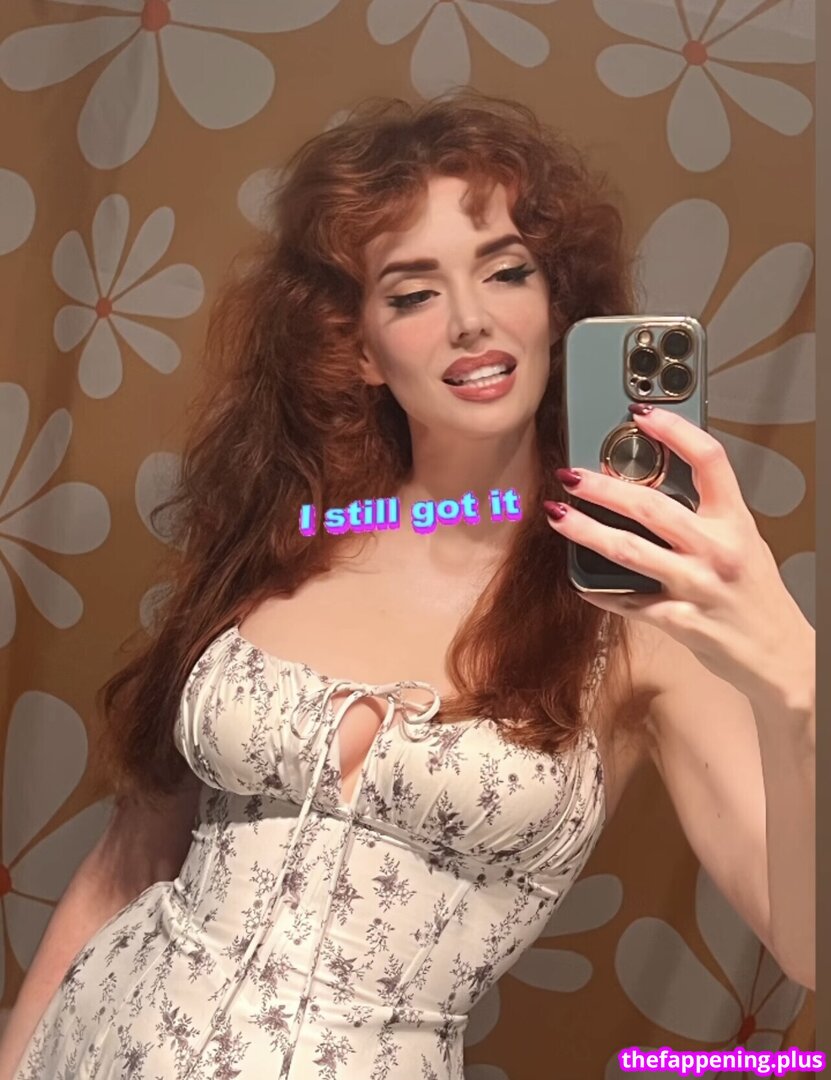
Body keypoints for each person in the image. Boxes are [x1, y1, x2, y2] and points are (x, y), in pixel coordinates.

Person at [0, 91, 815, 1080]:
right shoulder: (288, 538)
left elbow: (808, 946)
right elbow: (127, 862)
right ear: (359, 349)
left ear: (556, 311)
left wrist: (789, 663)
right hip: (93, 1048)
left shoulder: (635, 614)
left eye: (506, 272)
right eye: (414, 293)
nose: (471, 320)